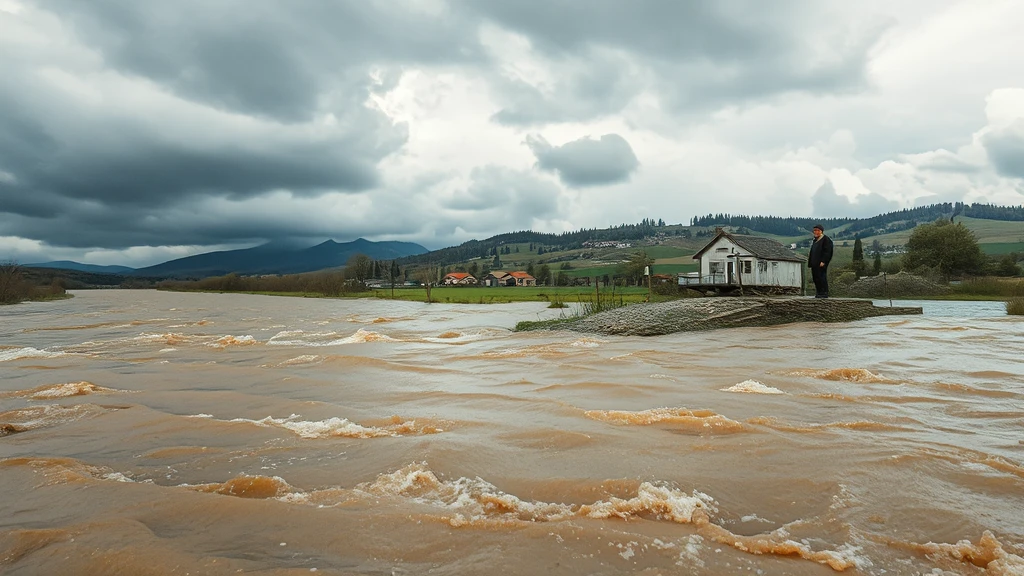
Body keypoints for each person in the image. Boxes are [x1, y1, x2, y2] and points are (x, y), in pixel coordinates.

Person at [808, 224, 833, 298]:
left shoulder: (826, 240)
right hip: (814, 263)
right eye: (814, 230)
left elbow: (827, 252)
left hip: (821, 263)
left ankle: (824, 292)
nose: (815, 232)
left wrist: (823, 261)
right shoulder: (815, 240)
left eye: (817, 230)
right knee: (815, 278)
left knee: (821, 277)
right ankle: (819, 292)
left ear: (821, 231)